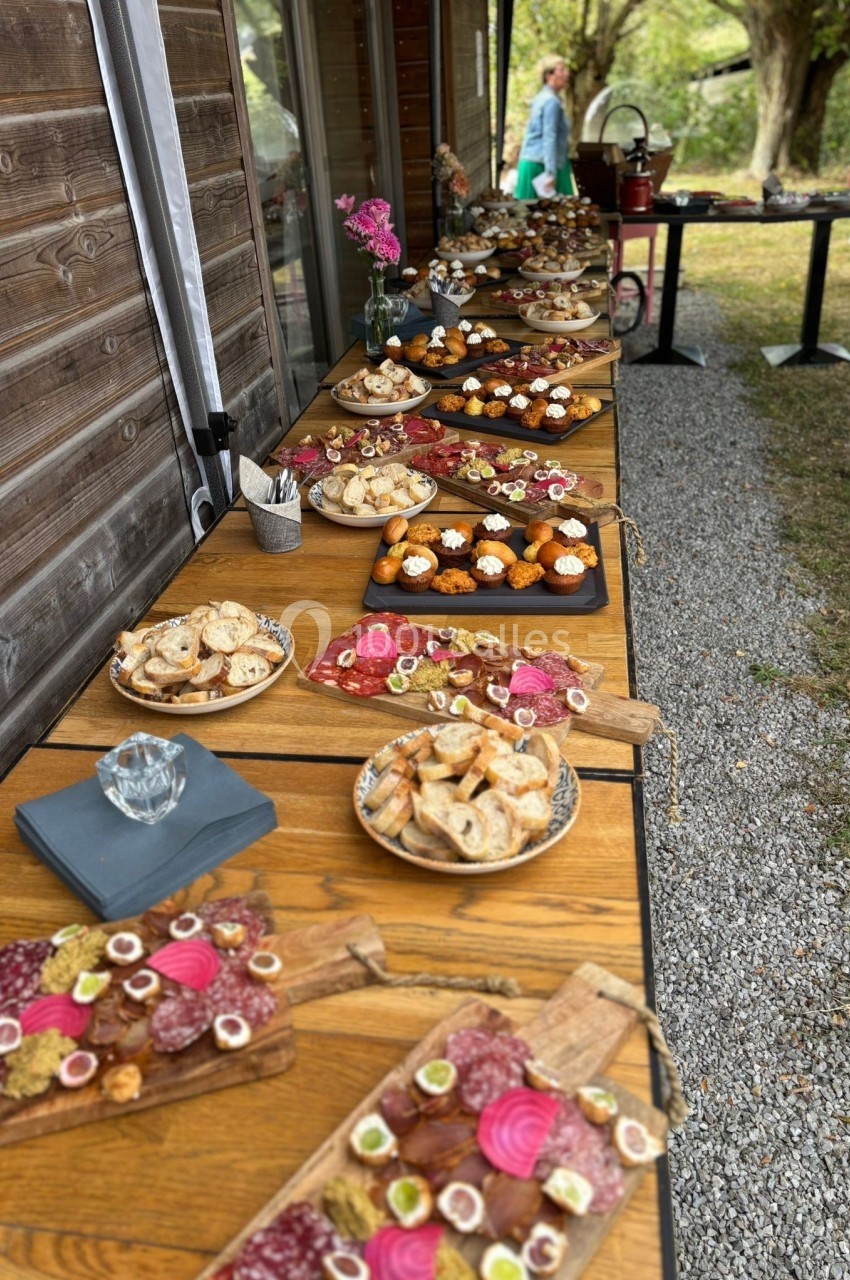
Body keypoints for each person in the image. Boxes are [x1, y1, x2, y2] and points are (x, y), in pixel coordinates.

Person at [514, 55, 575, 199]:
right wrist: (551, 173)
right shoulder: (551, 102)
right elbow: (549, 137)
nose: (567, 74)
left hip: (534, 160)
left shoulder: (542, 97)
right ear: (549, 75)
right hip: (541, 166)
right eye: (562, 70)